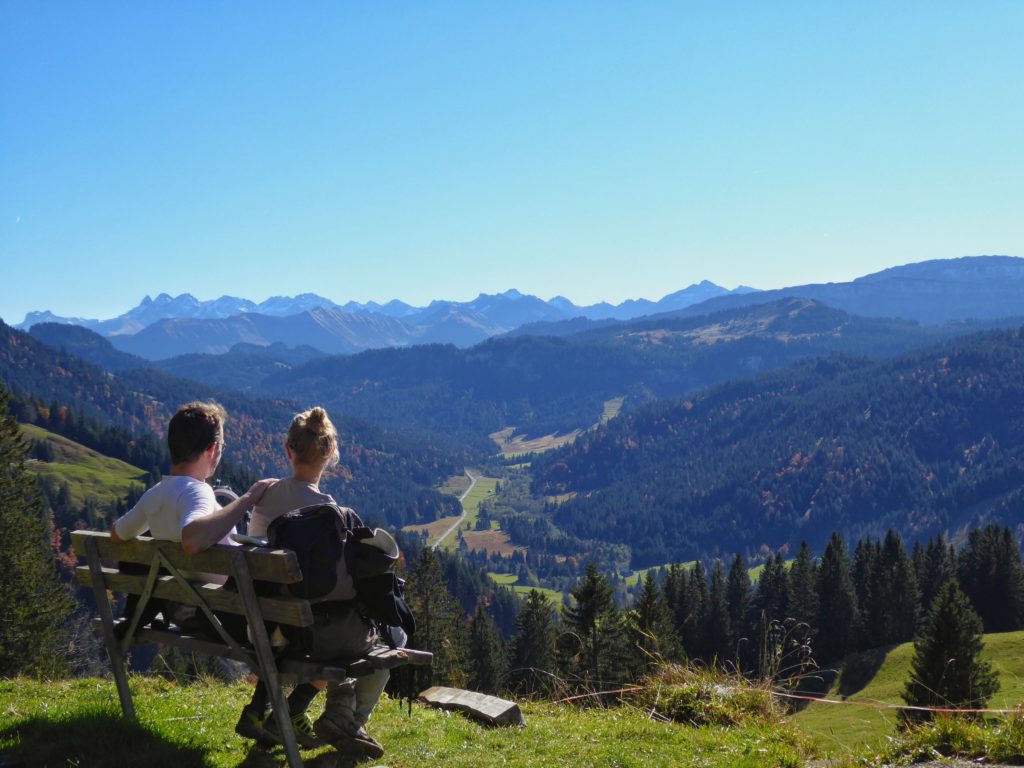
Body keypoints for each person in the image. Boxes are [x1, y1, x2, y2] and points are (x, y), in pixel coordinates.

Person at [234, 406, 391, 760]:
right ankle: (337, 720)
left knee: (312, 620)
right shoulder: (327, 514)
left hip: (260, 624)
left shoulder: (265, 497)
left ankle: (271, 711)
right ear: (331, 455)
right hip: (302, 634)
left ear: (287, 450)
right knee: (367, 635)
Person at [110, 400, 276, 587]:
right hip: (230, 605)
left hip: (192, 600)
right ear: (212, 450)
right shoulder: (197, 492)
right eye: (222, 446)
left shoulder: (154, 493)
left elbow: (118, 534)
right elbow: (191, 540)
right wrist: (249, 498)